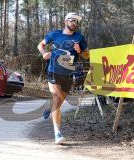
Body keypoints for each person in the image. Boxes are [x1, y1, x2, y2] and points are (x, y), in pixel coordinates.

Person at [37, 12, 89, 144]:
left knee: (59, 101)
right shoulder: (54, 34)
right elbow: (41, 45)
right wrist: (44, 54)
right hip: (53, 70)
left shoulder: (79, 37)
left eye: (77, 22)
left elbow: (87, 56)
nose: (74, 23)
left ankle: (49, 107)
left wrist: (79, 51)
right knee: (56, 98)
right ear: (66, 21)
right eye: (72, 21)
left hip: (68, 73)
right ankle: (57, 133)